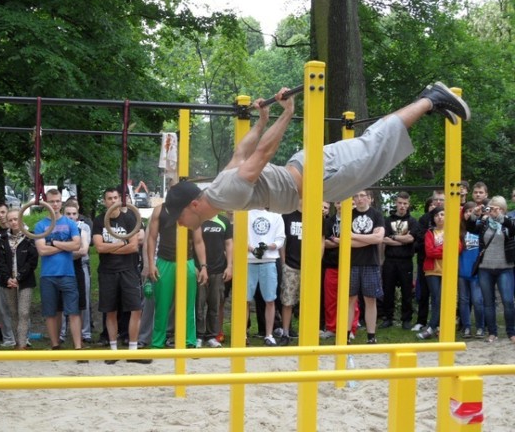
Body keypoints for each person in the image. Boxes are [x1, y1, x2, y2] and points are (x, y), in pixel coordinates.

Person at [162, 82, 470, 230]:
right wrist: (262, 119)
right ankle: (430, 101)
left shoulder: (224, 193)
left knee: (374, 146)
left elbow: (261, 154)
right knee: (375, 152)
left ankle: (431, 100)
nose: (180, 224)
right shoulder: (218, 190)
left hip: (314, 175)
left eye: (179, 218)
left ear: (193, 206)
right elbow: (241, 152)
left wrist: (287, 114)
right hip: (315, 182)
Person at [92, 187, 151, 363]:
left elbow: (133, 247)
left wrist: (110, 248)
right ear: (104, 201)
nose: (112, 201)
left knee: (135, 309)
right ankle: (113, 351)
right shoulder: (99, 220)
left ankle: (132, 351)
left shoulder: (129, 218)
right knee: (110, 310)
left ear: (120, 199)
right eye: (109, 198)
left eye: (115, 197)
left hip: (128, 270)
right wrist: (121, 244)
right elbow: (99, 248)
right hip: (108, 271)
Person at [145, 203, 207, 350]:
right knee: (162, 305)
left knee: (188, 304)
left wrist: (203, 266)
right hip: (165, 261)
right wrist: (151, 264)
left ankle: (188, 341)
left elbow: (198, 241)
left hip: (186, 261)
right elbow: (152, 238)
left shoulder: (193, 210)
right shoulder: (160, 209)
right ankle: (157, 343)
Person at [34, 188, 82, 352]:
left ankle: (78, 347)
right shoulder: (40, 225)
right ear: (46, 202)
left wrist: (53, 243)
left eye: (57, 201)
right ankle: (55, 345)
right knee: (51, 312)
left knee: (73, 311)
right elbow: (42, 250)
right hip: (48, 275)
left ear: (61, 202)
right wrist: (65, 246)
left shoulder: (69, 223)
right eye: (52, 201)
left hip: (68, 273)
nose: (55, 204)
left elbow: (77, 244)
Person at [466, 196, 515, 344]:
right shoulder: (484, 223)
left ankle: (511, 332)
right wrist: (475, 215)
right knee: (488, 303)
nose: (494, 210)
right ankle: (492, 333)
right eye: (492, 207)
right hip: (485, 268)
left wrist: (499, 216)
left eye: (498, 208)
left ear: (503, 210)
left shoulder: (508, 222)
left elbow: (512, 228)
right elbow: (470, 228)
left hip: (505, 268)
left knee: (508, 301)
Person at [417, 207, 463, 339]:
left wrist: (440, 249)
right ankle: (432, 327)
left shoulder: (452, 231)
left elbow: (457, 249)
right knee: (437, 298)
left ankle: (440, 327)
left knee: (448, 299)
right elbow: (429, 252)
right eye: (437, 215)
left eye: (443, 214)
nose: (440, 217)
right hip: (432, 271)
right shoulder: (430, 233)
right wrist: (447, 249)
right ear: (433, 218)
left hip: (448, 270)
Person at [0, 209, 38, 350]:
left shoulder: (29, 237)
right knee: (13, 312)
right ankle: (17, 343)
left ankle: (23, 343)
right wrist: (8, 278)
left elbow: (32, 261)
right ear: (7, 222)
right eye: (11, 220)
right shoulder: (2, 239)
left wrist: (19, 277)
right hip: (8, 282)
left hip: (25, 281)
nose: (14, 222)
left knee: (23, 312)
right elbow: (0, 261)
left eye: (16, 219)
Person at [346, 190, 384, 344]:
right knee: (349, 299)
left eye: (362, 196)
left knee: (370, 300)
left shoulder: (376, 215)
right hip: (351, 262)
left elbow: (378, 238)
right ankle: (346, 335)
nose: (359, 199)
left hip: (371, 262)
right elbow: (345, 241)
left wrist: (354, 235)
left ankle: (371, 336)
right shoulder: (349, 214)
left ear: (370, 198)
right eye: (356, 195)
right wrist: (369, 238)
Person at [379, 192, 418, 330]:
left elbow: (411, 239)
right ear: (396, 203)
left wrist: (393, 238)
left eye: (405, 203)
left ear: (408, 205)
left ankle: (406, 319)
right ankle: (387, 317)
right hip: (390, 260)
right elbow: (383, 238)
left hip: (406, 260)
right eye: (400, 203)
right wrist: (402, 240)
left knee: (407, 292)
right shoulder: (387, 220)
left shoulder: (413, 221)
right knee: (387, 290)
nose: (402, 206)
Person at [322, 201, 360, 340]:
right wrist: (343, 241)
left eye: (344, 202)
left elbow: (356, 242)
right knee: (331, 299)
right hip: (332, 264)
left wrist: (336, 241)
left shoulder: (355, 221)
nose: (341, 205)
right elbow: (323, 242)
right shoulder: (329, 221)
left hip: (351, 264)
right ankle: (332, 328)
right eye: (338, 202)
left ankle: (351, 328)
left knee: (351, 299)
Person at [247, 209, 285, 346]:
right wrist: (252, 249)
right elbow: (239, 236)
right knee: (246, 300)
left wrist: (268, 247)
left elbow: (280, 239)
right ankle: (243, 335)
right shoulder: (246, 213)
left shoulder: (276, 215)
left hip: (269, 261)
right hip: (248, 262)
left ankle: (269, 334)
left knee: (270, 300)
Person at [196, 214, 233, 348]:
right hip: (200, 270)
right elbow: (192, 243)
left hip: (218, 270)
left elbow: (229, 244)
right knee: (199, 305)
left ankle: (211, 336)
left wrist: (229, 266)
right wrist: (195, 267)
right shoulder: (198, 219)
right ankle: (198, 336)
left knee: (215, 305)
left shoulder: (223, 221)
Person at [412, 192, 444, 331]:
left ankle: (441, 324)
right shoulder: (425, 218)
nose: (437, 202)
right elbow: (421, 240)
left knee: (443, 297)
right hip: (426, 262)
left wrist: (437, 250)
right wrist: (440, 250)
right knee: (424, 293)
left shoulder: (453, 221)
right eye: (435, 199)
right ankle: (422, 321)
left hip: (445, 267)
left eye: (441, 200)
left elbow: (456, 246)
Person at [60, 203, 91, 345]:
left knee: (82, 300)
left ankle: (86, 332)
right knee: (61, 302)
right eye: (68, 213)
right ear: (63, 214)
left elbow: (83, 250)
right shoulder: (59, 227)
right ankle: (62, 332)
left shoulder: (83, 227)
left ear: (78, 214)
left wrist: (62, 250)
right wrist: (71, 250)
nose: (71, 216)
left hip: (81, 266)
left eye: (74, 213)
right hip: (62, 268)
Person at [458, 201, 485, 339]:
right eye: (467, 211)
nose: (469, 213)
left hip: (476, 271)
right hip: (462, 270)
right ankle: (467, 327)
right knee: (463, 300)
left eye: (472, 211)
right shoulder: (460, 230)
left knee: (477, 300)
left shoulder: (481, 227)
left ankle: (480, 326)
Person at [279, 207, 305, 346]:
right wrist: (283, 262)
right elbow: (283, 241)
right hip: (291, 265)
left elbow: (321, 240)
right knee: (287, 301)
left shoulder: (314, 215)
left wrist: (316, 261)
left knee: (307, 303)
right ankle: (285, 333)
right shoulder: (287, 215)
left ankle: (306, 334)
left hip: (308, 267)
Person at [0, 202, 16, 347]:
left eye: (3, 212)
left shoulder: (22, 231)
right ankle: (8, 338)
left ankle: (23, 337)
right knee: (4, 308)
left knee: (21, 308)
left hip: (20, 275)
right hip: (1, 275)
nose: (1, 216)